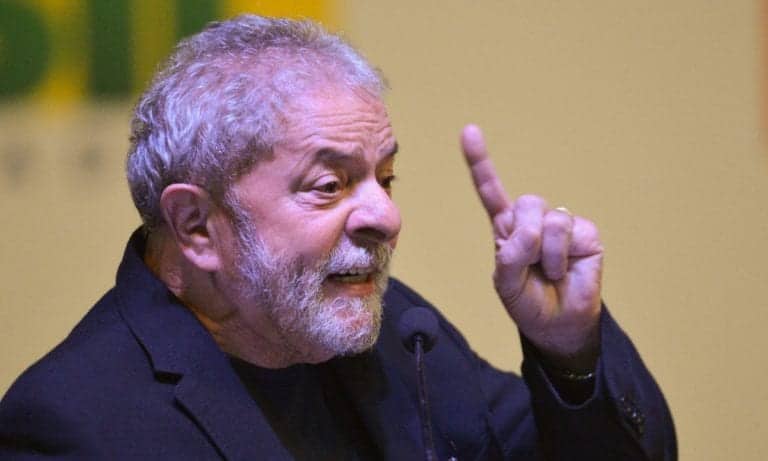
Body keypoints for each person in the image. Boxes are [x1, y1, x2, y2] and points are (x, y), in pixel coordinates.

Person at [0, 15, 676, 460]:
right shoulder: (72, 424)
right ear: (197, 226)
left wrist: (569, 350)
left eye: (387, 177)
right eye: (330, 185)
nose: (386, 217)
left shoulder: (401, 336)